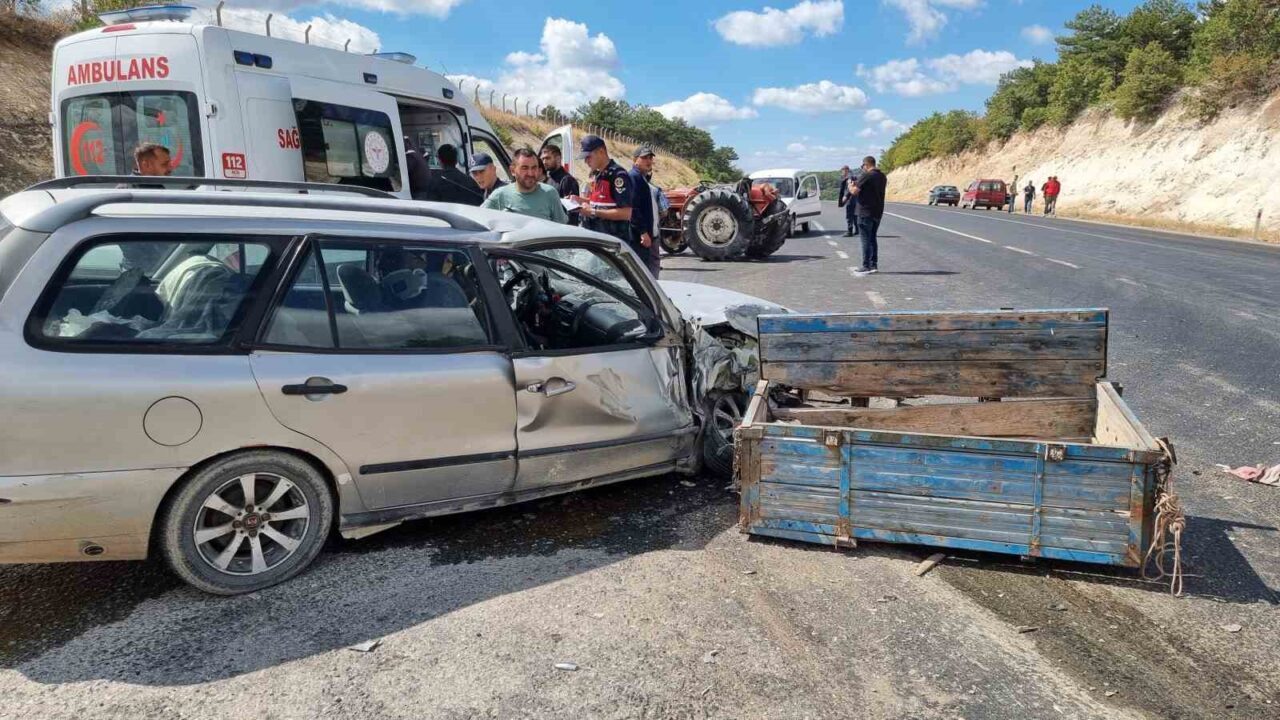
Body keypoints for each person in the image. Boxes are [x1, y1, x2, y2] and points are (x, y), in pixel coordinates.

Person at [571, 134, 633, 252]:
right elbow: (600, 203)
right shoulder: (599, 174)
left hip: (612, 245)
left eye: (588, 157)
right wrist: (580, 200)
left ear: (601, 151)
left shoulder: (618, 176)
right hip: (598, 241)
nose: (586, 161)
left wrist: (593, 212)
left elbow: (626, 213)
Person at [482, 148, 569, 223]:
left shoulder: (550, 193)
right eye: (524, 168)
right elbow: (479, 219)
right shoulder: (500, 195)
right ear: (512, 171)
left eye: (534, 168)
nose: (530, 173)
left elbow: (562, 228)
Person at [628, 144, 662, 277]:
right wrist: (643, 232)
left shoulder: (642, 178)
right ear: (635, 160)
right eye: (644, 158)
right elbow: (633, 208)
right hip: (640, 238)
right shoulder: (634, 177)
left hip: (650, 235)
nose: (648, 161)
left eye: (650, 158)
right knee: (644, 275)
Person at [849, 155, 886, 276]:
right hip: (877, 211)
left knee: (865, 239)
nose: (862, 168)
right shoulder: (882, 176)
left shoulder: (866, 175)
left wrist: (850, 185)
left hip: (865, 211)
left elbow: (854, 191)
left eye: (863, 166)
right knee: (872, 238)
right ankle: (874, 264)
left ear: (866, 164)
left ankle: (866, 265)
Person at [540, 144, 580, 225]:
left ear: (558, 159)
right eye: (543, 159)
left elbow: (572, 213)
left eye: (547, 158)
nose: (544, 162)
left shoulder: (567, 180)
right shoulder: (548, 179)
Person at [837, 165, 859, 237]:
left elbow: (850, 188)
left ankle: (850, 231)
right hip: (855, 198)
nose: (842, 172)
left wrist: (846, 196)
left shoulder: (849, 178)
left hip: (851, 198)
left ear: (846, 170)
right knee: (855, 215)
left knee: (849, 215)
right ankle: (857, 230)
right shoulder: (852, 176)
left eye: (843, 170)